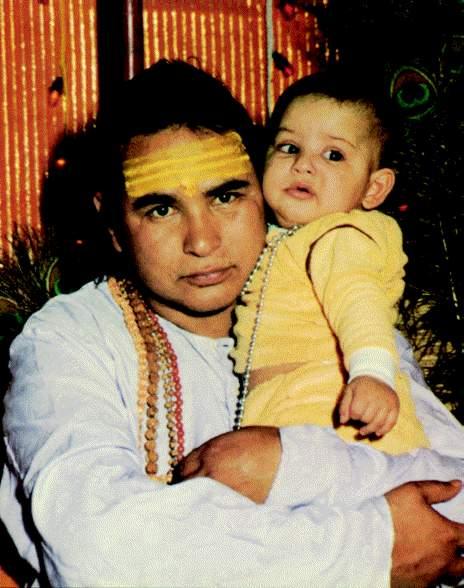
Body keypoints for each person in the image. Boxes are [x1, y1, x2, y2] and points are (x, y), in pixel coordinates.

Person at [1, 59, 464, 588]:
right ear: (112, 223)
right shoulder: (68, 340)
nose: (202, 241)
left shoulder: (328, 312)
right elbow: (101, 557)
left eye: (226, 196)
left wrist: (292, 464)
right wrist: (372, 544)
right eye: (160, 209)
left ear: (264, 188)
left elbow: (453, 499)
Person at [232, 67, 431, 454]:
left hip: (338, 416)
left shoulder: (341, 235)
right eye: (289, 147)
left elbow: (357, 299)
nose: (303, 164)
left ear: (374, 188)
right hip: (298, 412)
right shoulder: (285, 238)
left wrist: (372, 372)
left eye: (333, 155)